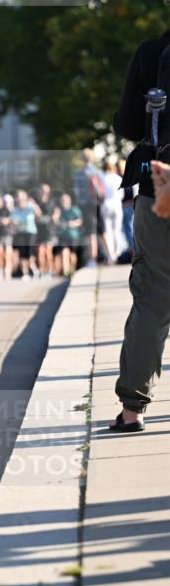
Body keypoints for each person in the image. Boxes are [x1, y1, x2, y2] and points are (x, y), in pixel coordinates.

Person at [110, 25, 170, 432]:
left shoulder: (152, 51)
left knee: (153, 298)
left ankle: (133, 409)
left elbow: (131, 123)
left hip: (159, 186)